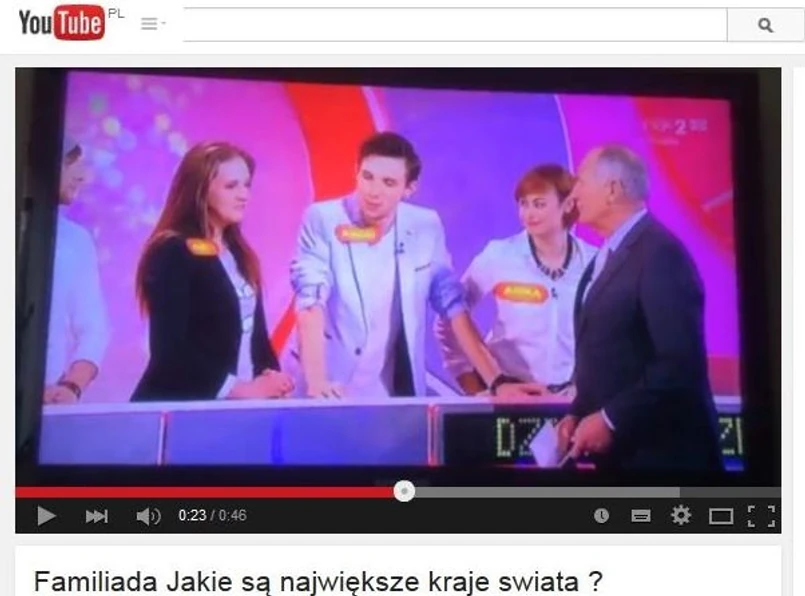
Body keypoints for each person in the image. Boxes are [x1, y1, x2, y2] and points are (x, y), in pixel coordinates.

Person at [288, 132, 542, 399]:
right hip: (327, 383)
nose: (373, 192)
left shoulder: (425, 226)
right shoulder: (322, 218)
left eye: (388, 182)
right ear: (356, 172)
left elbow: (452, 305)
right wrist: (317, 381)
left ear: (409, 189)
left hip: (389, 394)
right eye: (367, 177)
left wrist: (496, 381)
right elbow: (310, 299)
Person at [556, 145, 722, 470]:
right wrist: (578, 412)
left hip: (664, 461)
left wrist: (610, 419)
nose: (573, 194)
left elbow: (679, 363)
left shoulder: (661, 254)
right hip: (622, 461)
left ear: (612, 190)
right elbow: (609, 355)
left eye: (580, 182)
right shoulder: (606, 256)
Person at [131, 141, 293, 402]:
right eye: (232, 186)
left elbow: (257, 338)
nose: (244, 195)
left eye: (246, 185)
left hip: (235, 412)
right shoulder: (172, 250)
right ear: (201, 190)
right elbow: (170, 352)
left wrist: (272, 377)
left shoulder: (239, 253)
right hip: (181, 409)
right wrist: (239, 390)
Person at [435, 164, 596, 395]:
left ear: (568, 204)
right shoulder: (500, 255)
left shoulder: (594, 262)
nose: (528, 214)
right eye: (523, 204)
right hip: (509, 395)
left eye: (539, 204)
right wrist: (475, 387)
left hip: (569, 400)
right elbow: (448, 319)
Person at [43, 137, 110, 404]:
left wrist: (71, 386)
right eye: (69, 163)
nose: (81, 176)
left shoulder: (75, 240)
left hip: (46, 401)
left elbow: (93, 328)